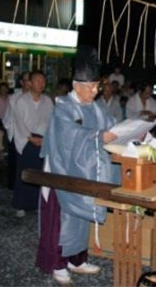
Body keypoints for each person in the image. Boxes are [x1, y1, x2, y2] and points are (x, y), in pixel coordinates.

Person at [36, 46, 118, 285]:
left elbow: (111, 124)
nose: (94, 91)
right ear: (76, 86)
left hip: (84, 170)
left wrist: (127, 131)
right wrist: (99, 137)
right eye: (90, 87)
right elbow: (69, 136)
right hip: (61, 172)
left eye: (96, 86)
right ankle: (58, 263)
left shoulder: (95, 106)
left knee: (81, 215)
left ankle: (77, 259)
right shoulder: (64, 107)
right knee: (62, 217)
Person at [11, 71, 53, 218]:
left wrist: (47, 138)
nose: (40, 84)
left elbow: (51, 122)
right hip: (27, 139)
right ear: (30, 83)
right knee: (25, 173)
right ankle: (21, 205)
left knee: (39, 173)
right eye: (37, 81)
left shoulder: (47, 101)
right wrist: (30, 138)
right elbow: (19, 121)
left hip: (43, 139)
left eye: (42, 81)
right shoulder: (22, 101)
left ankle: (36, 204)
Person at [3, 71, 31, 190]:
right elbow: (8, 118)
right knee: (15, 163)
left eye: (31, 80)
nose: (29, 83)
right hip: (16, 133)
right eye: (26, 80)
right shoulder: (14, 98)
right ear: (21, 82)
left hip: (31, 134)